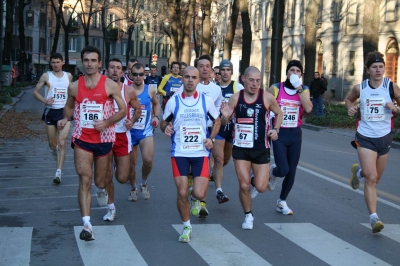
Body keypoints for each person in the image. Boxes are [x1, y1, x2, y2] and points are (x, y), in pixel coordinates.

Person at [57, 45, 127, 241]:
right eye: (86, 60)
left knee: (100, 181)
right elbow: (69, 108)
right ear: (82, 62)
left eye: (93, 60)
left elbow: (122, 111)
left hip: (104, 139)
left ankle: (105, 189)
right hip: (82, 139)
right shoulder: (74, 86)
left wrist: (106, 122)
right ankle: (87, 224)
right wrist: (65, 119)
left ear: (99, 63)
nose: (89, 64)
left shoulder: (109, 85)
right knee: (85, 179)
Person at [161, 66, 221, 242]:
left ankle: (196, 199)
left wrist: (212, 138)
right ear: (182, 79)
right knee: (181, 192)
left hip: (200, 152)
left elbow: (217, 121)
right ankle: (186, 226)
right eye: (186, 77)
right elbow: (163, 122)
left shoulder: (205, 101)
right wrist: (166, 128)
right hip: (179, 152)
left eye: (193, 77)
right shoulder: (174, 101)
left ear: (198, 80)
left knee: (200, 193)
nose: (190, 80)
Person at [220, 66, 283, 230]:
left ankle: (264, 177)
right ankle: (248, 215)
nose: (254, 84)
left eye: (257, 81)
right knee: (244, 185)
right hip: (241, 148)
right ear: (243, 79)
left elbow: (280, 114)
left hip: (261, 147)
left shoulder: (267, 97)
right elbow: (225, 122)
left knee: (261, 187)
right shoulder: (235, 98)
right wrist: (225, 117)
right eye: (251, 80)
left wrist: (275, 129)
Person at [345, 51, 400, 233]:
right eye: (374, 67)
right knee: (372, 178)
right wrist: (350, 108)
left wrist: (396, 107)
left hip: (384, 137)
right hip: (365, 136)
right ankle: (374, 217)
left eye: (381, 67)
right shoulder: (360, 88)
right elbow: (348, 100)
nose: (378, 70)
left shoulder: (391, 87)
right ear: (368, 70)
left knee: (376, 178)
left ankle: (358, 173)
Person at [266, 60, 312, 216]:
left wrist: (299, 88)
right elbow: (263, 104)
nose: (294, 73)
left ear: (301, 74)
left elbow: (308, 108)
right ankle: (274, 171)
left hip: (295, 133)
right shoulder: (276, 88)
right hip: (279, 133)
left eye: (298, 71)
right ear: (286, 73)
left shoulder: (304, 90)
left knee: (292, 171)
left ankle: (282, 201)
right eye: (291, 70)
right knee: (283, 169)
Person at [100, 58, 142, 221]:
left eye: (118, 68)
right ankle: (111, 208)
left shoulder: (128, 91)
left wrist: (132, 120)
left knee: (123, 177)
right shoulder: (100, 88)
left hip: (122, 136)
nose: (115, 71)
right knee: (107, 174)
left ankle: (115, 170)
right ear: (106, 70)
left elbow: (138, 109)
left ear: (122, 71)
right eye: (112, 68)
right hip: (104, 135)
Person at [33, 53, 73, 184]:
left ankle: (58, 172)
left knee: (62, 142)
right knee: (53, 144)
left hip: (64, 112)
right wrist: (45, 100)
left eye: (58, 62)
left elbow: (72, 92)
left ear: (62, 62)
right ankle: (55, 150)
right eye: (53, 62)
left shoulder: (68, 76)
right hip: (51, 112)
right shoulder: (46, 76)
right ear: (51, 64)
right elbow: (35, 92)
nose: (56, 64)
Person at [211, 59, 244, 204]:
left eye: (228, 70)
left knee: (225, 160)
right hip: (218, 127)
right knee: (218, 161)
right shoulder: (214, 88)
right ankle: (219, 191)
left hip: (232, 129)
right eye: (222, 70)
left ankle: (212, 172)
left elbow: (244, 104)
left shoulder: (237, 87)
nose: (225, 72)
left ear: (231, 71)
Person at [128, 63, 161, 201]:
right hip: (129, 131)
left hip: (145, 130)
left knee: (147, 160)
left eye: (141, 74)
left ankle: (143, 182)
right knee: (131, 164)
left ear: (145, 74)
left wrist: (156, 116)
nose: (138, 77)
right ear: (131, 75)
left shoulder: (150, 90)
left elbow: (157, 104)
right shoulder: (127, 90)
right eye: (135, 74)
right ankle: (133, 187)